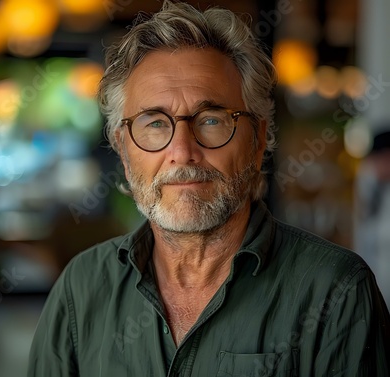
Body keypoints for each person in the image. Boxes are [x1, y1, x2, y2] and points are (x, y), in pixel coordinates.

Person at [28, 2, 390, 376]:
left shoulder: (336, 291)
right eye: (154, 124)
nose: (182, 152)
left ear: (259, 137)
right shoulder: (81, 289)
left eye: (212, 119)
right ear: (123, 147)